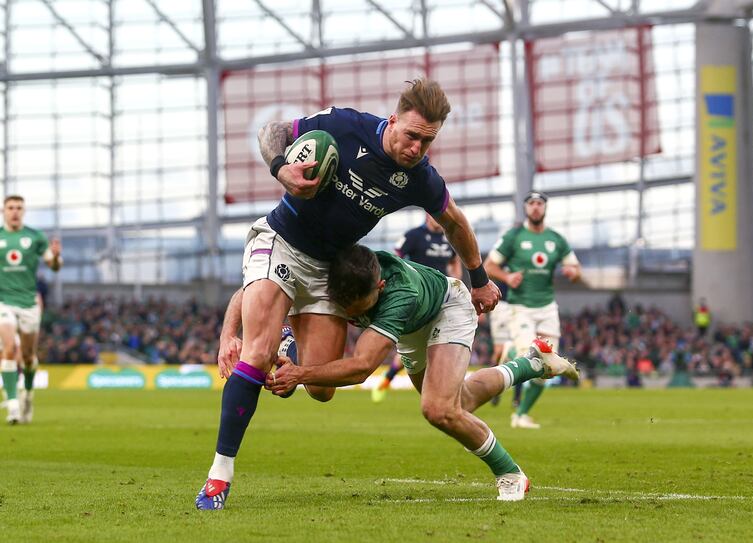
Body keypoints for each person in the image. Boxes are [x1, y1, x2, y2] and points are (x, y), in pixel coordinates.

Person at [196, 79, 501, 510]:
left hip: (330, 268)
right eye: (411, 135)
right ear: (393, 120)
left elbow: (455, 222)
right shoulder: (344, 125)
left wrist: (479, 278)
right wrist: (281, 169)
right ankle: (219, 477)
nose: (416, 148)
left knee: (320, 389)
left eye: (427, 141)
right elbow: (273, 131)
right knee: (257, 352)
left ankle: (287, 339)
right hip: (281, 240)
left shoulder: (419, 177)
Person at [267, 245, 578, 501]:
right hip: (409, 328)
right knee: (461, 404)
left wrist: (299, 373)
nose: (351, 314)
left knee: (438, 409)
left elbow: (362, 366)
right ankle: (530, 363)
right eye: (345, 306)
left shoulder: (399, 293)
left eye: (359, 307)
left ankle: (510, 473)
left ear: (380, 287)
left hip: (447, 307)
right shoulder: (340, 274)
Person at [484, 191, 581, 429]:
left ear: (545, 208)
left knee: (550, 368)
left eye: (539, 203)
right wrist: (507, 277)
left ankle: (521, 415)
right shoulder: (514, 236)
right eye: (531, 203)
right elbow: (489, 265)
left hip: (547, 308)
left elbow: (576, 269)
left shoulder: (556, 239)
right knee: (529, 356)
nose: (536, 207)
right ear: (526, 208)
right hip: (521, 307)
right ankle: (511, 351)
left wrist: (572, 273)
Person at [371, 214, 461, 402]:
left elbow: (454, 260)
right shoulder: (413, 235)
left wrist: (456, 279)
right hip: (417, 298)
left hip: (442, 297)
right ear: (428, 215)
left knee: (433, 347)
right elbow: (395, 256)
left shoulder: (449, 238)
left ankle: (441, 393)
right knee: (415, 349)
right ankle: (389, 378)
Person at [0, 195, 62, 424]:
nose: (15, 211)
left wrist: (56, 257)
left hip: (28, 303)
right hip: (3, 301)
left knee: (27, 357)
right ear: (3, 211)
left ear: (24, 211)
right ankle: (13, 405)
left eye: (19, 208)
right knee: (8, 348)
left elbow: (53, 266)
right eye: (10, 208)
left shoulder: (35, 237)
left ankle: (27, 393)